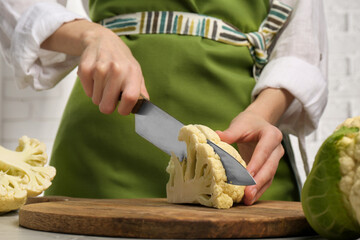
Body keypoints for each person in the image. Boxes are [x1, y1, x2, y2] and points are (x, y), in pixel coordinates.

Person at [0, 0, 328, 205]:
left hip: (243, 147)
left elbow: (300, 50)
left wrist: (262, 113)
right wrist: (92, 36)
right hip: (101, 151)